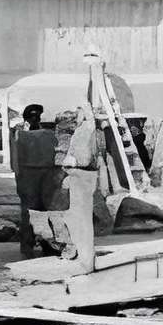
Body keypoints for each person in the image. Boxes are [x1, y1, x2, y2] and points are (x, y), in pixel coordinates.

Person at [11, 104, 61, 258]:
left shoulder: (41, 133)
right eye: (32, 116)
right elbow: (15, 158)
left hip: (41, 175)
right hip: (30, 176)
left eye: (37, 117)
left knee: (44, 210)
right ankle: (30, 244)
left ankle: (46, 244)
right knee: (30, 212)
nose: (35, 119)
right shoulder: (20, 133)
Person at [57, 104, 102, 273]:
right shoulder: (87, 129)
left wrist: (70, 166)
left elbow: (83, 159)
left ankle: (86, 263)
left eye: (78, 112)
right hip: (82, 177)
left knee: (81, 223)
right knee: (81, 222)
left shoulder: (84, 130)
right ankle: (86, 261)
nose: (76, 115)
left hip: (80, 177)